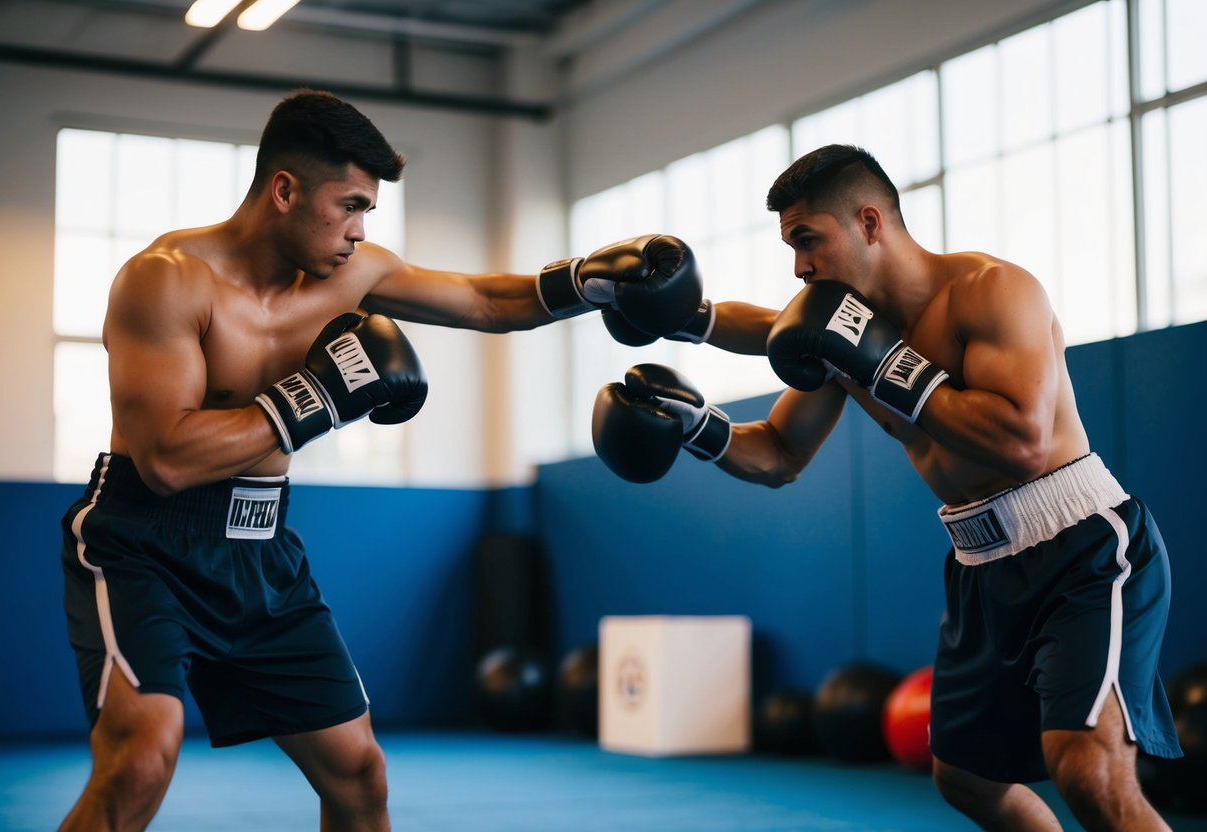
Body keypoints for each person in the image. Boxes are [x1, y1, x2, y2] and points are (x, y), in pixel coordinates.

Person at [59, 87, 718, 832]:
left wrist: (587, 282)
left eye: (368, 210)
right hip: (146, 543)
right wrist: (318, 395)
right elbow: (165, 461)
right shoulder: (168, 279)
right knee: (143, 758)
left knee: (359, 774)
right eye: (349, 205)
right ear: (284, 191)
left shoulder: (354, 271)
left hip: (261, 551)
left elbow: (481, 300)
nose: (358, 229)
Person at [591, 144, 1183, 831]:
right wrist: (696, 426)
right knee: (965, 779)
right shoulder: (850, 337)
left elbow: (1021, 441)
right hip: (981, 565)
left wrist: (886, 365)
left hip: (1079, 547)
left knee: (1086, 770)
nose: (799, 267)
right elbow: (780, 454)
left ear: (869, 223)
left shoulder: (990, 290)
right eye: (790, 247)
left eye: (807, 240)